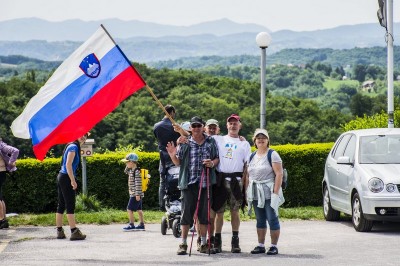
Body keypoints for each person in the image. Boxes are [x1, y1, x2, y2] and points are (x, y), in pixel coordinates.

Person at [166, 116, 219, 255]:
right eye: (193, 126)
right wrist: (172, 155)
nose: (196, 128)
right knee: (186, 215)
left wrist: (212, 163)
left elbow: (217, 158)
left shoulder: (211, 141)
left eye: (198, 126)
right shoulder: (184, 142)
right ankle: (183, 243)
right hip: (188, 184)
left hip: (205, 183)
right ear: (190, 128)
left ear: (203, 127)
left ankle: (203, 242)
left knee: (204, 215)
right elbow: (178, 163)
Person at [211, 114, 251, 253]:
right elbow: (197, 135)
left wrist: (246, 186)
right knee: (219, 212)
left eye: (236, 123)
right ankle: (217, 241)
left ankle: (235, 241)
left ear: (240, 126)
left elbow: (247, 166)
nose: (233, 125)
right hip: (221, 181)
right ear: (226, 125)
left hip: (237, 181)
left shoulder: (244, 143)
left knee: (235, 211)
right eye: (231, 123)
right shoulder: (218, 139)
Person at [246, 128, 285, 255]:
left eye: (263, 137)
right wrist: (247, 191)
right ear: (255, 141)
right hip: (256, 193)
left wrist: (275, 193)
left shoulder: (272, 154)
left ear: (268, 140)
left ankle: (273, 246)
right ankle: (261, 245)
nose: (261, 139)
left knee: (272, 218)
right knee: (260, 219)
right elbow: (247, 176)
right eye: (258, 138)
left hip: (269, 192)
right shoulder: (252, 155)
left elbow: (279, 174)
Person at [55, 133, 89, 241]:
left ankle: (59, 231)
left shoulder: (71, 145)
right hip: (66, 177)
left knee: (61, 205)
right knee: (70, 204)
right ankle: (74, 231)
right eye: (81, 134)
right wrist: (73, 181)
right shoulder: (73, 147)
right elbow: (68, 165)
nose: (83, 137)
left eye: (85, 135)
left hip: (62, 176)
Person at [153, 105, 181, 211]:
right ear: (172, 112)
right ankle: (177, 202)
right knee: (177, 179)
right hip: (175, 156)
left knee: (163, 181)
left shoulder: (157, 126)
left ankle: (162, 205)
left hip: (163, 156)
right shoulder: (176, 126)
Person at [121, 153, 145, 231]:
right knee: (139, 210)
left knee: (129, 209)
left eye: (127, 162)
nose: (126, 163)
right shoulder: (132, 170)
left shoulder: (136, 172)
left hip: (135, 194)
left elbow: (138, 183)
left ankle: (131, 225)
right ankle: (141, 224)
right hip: (136, 194)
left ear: (131, 162)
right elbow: (125, 171)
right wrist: (127, 166)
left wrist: (137, 194)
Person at [0, 137, 19, 229]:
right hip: (1, 172)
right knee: (0, 197)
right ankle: (3, 220)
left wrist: (11, 162)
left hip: (0, 172)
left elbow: (15, 151)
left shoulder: (0, 144)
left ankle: (1, 220)